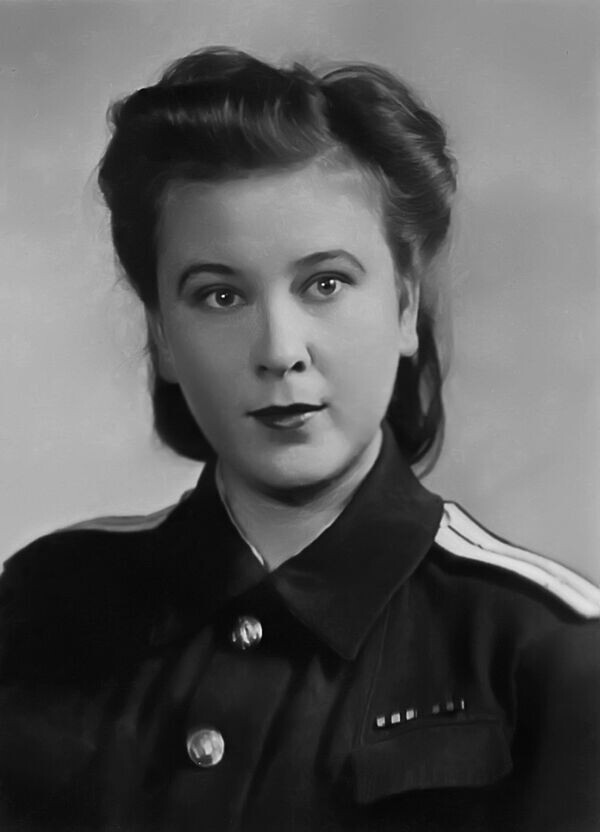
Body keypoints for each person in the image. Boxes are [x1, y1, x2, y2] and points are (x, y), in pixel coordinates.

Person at [0, 45, 598, 832]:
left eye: (325, 284)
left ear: (405, 307)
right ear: (163, 336)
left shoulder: (549, 653)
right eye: (220, 296)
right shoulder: (43, 604)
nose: (279, 350)